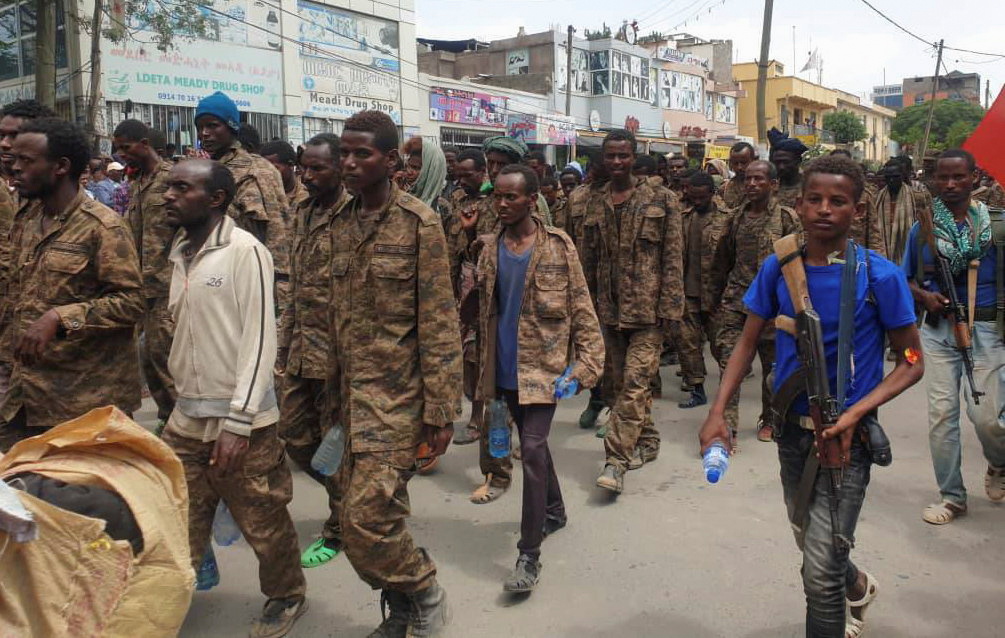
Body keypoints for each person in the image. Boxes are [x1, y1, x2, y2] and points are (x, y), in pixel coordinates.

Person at [700, 154, 923, 638]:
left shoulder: (879, 276)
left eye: (838, 201)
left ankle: (838, 597)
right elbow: (745, 341)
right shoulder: (779, 268)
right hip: (791, 435)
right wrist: (718, 412)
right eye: (815, 200)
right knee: (809, 537)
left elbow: (911, 361)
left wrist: (858, 413)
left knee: (818, 575)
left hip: (848, 442)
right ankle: (858, 586)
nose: (825, 209)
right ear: (797, 205)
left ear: (856, 211)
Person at [158, 159, 307, 638]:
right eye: (169, 187)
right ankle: (168, 598)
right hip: (186, 417)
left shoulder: (245, 252)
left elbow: (260, 340)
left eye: (182, 188)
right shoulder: (180, 251)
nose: (169, 196)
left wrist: (239, 422)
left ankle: (286, 594)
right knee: (177, 512)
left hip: (242, 420)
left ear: (216, 199)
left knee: (262, 518)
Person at [328, 110, 460, 636]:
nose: (350, 163)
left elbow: (439, 319)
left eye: (363, 154)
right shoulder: (339, 221)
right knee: (368, 517)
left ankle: (424, 588)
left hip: (398, 400)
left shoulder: (418, 223)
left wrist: (441, 411)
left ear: (390, 161)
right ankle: (401, 608)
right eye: (345, 153)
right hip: (345, 401)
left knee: (364, 522)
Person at [472, 164, 604, 592]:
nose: (503, 204)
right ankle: (554, 510)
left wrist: (583, 369)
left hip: (543, 371)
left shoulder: (557, 247)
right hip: (503, 369)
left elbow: (583, 310)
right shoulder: (489, 248)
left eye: (512, 197)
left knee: (529, 448)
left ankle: (528, 555)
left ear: (533, 200)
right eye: (499, 197)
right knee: (536, 445)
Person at [0, 118, 144, 451]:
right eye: (14, 159)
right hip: (27, 395)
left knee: (81, 500)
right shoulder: (27, 219)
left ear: (61, 167)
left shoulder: (103, 227)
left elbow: (132, 302)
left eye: (26, 161)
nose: (15, 168)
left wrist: (60, 317)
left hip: (84, 404)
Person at [901, 149, 1005, 525]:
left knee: (988, 417)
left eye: (958, 177)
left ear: (974, 177)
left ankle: (998, 462)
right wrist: (925, 296)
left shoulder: (996, 226)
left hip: (987, 330)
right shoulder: (924, 228)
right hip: (939, 330)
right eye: (942, 178)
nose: (949, 185)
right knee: (942, 415)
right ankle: (952, 496)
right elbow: (906, 278)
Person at [580, 129, 683, 494]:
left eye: (624, 155)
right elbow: (587, 259)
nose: (617, 162)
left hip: (648, 312)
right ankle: (648, 441)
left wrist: (671, 307)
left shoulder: (662, 199)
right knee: (619, 387)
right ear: (603, 159)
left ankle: (616, 461)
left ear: (634, 155)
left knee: (637, 383)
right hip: (608, 311)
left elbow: (672, 256)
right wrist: (584, 311)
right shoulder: (595, 201)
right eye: (611, 156)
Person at [275, 133, 350, 568]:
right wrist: (284, 348)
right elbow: (295, 287)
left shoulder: (354, 215)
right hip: (303, 348)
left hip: (339, 358)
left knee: (334, 442)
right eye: (305, 167)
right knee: (295, 435)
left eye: (318, 168)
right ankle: (347, 496)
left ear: (340, 169)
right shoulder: (300, 212)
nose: (307, 175)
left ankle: (340, 526)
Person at [710, 160, 800, 446]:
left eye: (759, 179)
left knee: (773, 369)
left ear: (773, 184)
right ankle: (727, 427)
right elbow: (722, 260)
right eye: (748, 179)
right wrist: (715, 297)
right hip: (737, 303)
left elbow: (798, 262)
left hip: (775, 307)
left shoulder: (787, 218)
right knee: (730, 363)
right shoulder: (735, 218)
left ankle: (770, 419)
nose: (751, 184)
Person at [446, 147, 515, 503]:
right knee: (479, 365)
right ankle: (497, 466)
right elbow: (474, 256)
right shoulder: (463, 202)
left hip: (517, 317)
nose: (503, 204)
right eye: (493, 166)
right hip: (478, 295)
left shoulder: (549, 240)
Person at [194, 91, 291, 312]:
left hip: (256, 278)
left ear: (231, 127)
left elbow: (271, 229)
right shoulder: (211, 169)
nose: (205, 134)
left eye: (213, 126)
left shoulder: (254, 169)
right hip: (219, 277)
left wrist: (276, 283)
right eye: (200, 128)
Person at [112, 118, 178, 426]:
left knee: (167, 359)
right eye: (118, 149)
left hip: (169, 286)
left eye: (126, 147)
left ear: (145, 144)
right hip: (140, 287)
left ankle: (183, 425)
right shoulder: (136, 184)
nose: (122, 154)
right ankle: (168, 418)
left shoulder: (172, 179)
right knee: (149, 362)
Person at [0, 99, 56, 408]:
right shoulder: (14, 197)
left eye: (15, 135)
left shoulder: (56, 208)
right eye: (2, 135)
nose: (6, 144)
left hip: (51, 365)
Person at [675, 172, 735, 409]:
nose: (697, 202)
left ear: (712, 194)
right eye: (693, 197)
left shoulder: (728, 219)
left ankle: (728, 395)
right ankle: (696, 388)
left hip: (717, 296)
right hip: (687, 293)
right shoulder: (683, 218)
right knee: (687, 346)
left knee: (722, 348)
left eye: (701, 197)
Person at [876, 156, 933, 265]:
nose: (892, 180)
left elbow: (929, 225)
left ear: (903, 176)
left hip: (912, 253)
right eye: (888, 177)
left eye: (896, 176)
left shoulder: (919, 197)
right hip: (883, 254)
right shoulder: (876, 199)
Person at [261, 140, 309, 231]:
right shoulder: (261, 197)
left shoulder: (307, 197)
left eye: (275, 168)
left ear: (290, 165)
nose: (268, 174)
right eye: (264, 169)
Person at [767, 128, 808, 208]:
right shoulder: (769, 187)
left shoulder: (809, 187)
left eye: (786, 162)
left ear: (798, 161)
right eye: (777, 162)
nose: (781, 167)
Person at [720, 142, 755, 208]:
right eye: (735, 163)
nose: (739, 167)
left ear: (753, 161)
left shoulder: (762, 187)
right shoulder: (724, 189)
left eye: (744, 162)